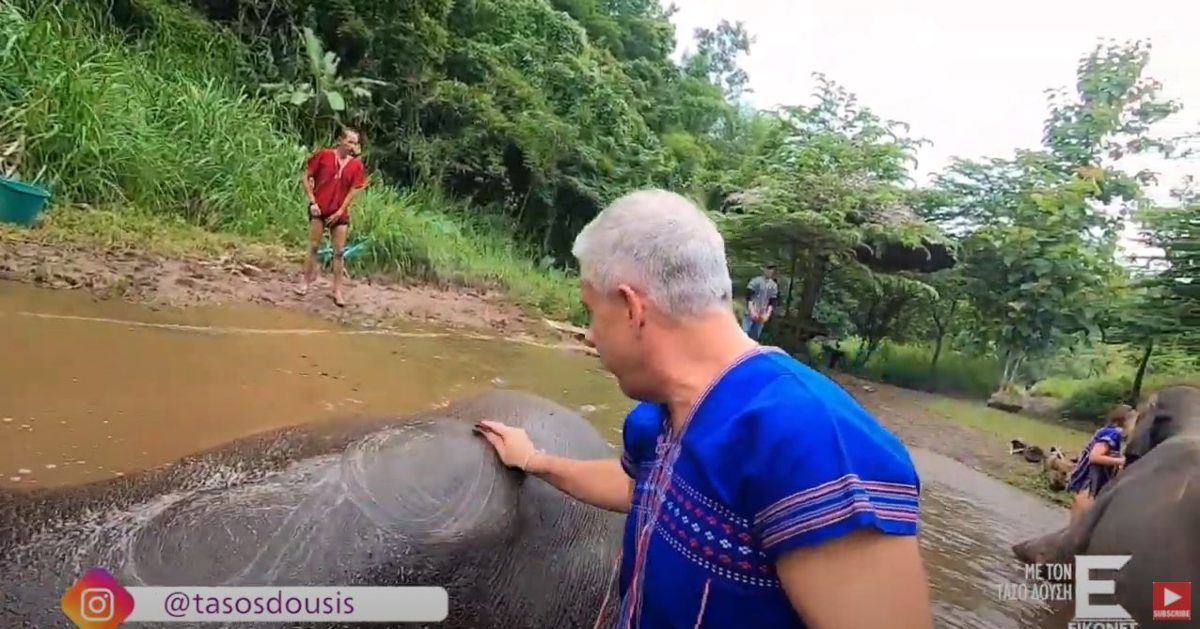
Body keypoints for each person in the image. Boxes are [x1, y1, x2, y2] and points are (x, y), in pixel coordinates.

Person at [475, 189, 932, 629]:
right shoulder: (658, 417)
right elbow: (644, 489)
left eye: (591, 313)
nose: (590, 336)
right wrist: (534, 460)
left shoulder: (817, 445)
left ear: (633, 308)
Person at [296, 127, 367, 307]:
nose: (353, 146)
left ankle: (337, 291)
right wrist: (312, 202)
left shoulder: (356, 165)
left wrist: (340, 210)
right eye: (350, 141)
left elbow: (354, 189)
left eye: (355, 143)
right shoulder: (324, 156)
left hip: (339, 212)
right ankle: (305, 282)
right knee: (313, 246)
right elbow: (306, 177)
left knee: (339, 252)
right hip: (320, 209)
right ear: (340, 140)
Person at [1065, 403, 1135, 524]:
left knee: (1077, 527)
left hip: (1090, 482)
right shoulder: (1113, 434)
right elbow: (1095, 456)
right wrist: (1122, 461)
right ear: (1125, 420)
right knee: (1081, 526)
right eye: (1134, 420)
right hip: (1090, 484)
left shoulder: (1111, 433)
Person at [742, 264, 778, 340]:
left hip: (762, 313)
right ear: (764, 269)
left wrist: (767, 314)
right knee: (745, 334)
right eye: (768, 268)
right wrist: (751, 310)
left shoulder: (774, 285)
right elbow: (748, 297)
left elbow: (772, 301)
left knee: (755, 336)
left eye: (772, 269)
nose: (770, 271)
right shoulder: (755, 281)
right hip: (750, 312)